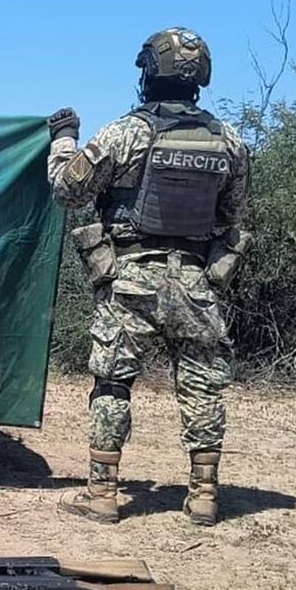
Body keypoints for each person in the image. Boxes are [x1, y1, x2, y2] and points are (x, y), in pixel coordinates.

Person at [46, 28, 253, 526]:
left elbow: (67, 190)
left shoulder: (125, 133)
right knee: (203, 387)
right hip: (196, 282)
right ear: (200, 77)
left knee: (113, 384)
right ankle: (204, 497)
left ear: (147, 73)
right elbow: (235, 214)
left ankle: (102, 495)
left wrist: (63, 138)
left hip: (130, 279)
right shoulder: (229, 140)